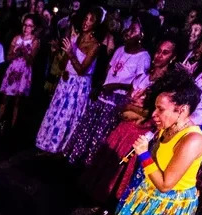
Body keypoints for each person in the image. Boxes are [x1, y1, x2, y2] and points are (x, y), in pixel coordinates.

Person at [91, 70, 202, 215]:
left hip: (167, 206)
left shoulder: (192, 139)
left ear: (181, 109)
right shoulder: (168, 127)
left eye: (160, 109)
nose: (154, 114)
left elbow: (165, 184)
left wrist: (143, 154)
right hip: (148, 195)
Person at [80, 39, 177, 205]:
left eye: (165, 53)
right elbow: (125, 101)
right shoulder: (143, 76)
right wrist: (131, 109)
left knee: (123, 165)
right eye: (158, 51)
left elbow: (152, 114)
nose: (159, 56)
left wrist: (135, 110)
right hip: (124, 125)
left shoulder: (166, 86)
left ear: (173, 58)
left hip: (140, 131)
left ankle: (108, 200)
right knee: (107, 160)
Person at [64, 17, 150, 166]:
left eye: (133, 30)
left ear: (141, 35)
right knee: (88, 127)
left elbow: (138, 84)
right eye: (128, 29)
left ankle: (90, 165)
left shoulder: (143, 57)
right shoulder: (120, 49)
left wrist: (117, 86)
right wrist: (102, 85)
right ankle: (75, 158)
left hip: (117, 99)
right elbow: (109, 70)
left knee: (101, 133)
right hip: (104, 93)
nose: (128, 32)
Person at [35, 7, 101, 155]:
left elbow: (82, 70)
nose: (86, 22)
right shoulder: (75, 38)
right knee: (56, 114)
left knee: (68, 117)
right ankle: (48, 145)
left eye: (91, 20)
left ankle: (62, 149)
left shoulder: (95, 45)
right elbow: (62, 65)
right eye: (85, 18)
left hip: (79, 86)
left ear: (96, 24)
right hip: (66, 82)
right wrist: (63, 52)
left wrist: (71, 53)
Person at [0, 14, 39, 131]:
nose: (26, 28)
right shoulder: (16, 38)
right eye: (25, 25)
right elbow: (8, 57)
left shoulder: (35, 41)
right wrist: (16, 52)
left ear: (33, 27)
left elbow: (31, 61)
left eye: (29, 26)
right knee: (5, 98)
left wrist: (24, 50)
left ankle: (12, 127)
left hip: (24, 72)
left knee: (17, 101)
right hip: (13, 70)